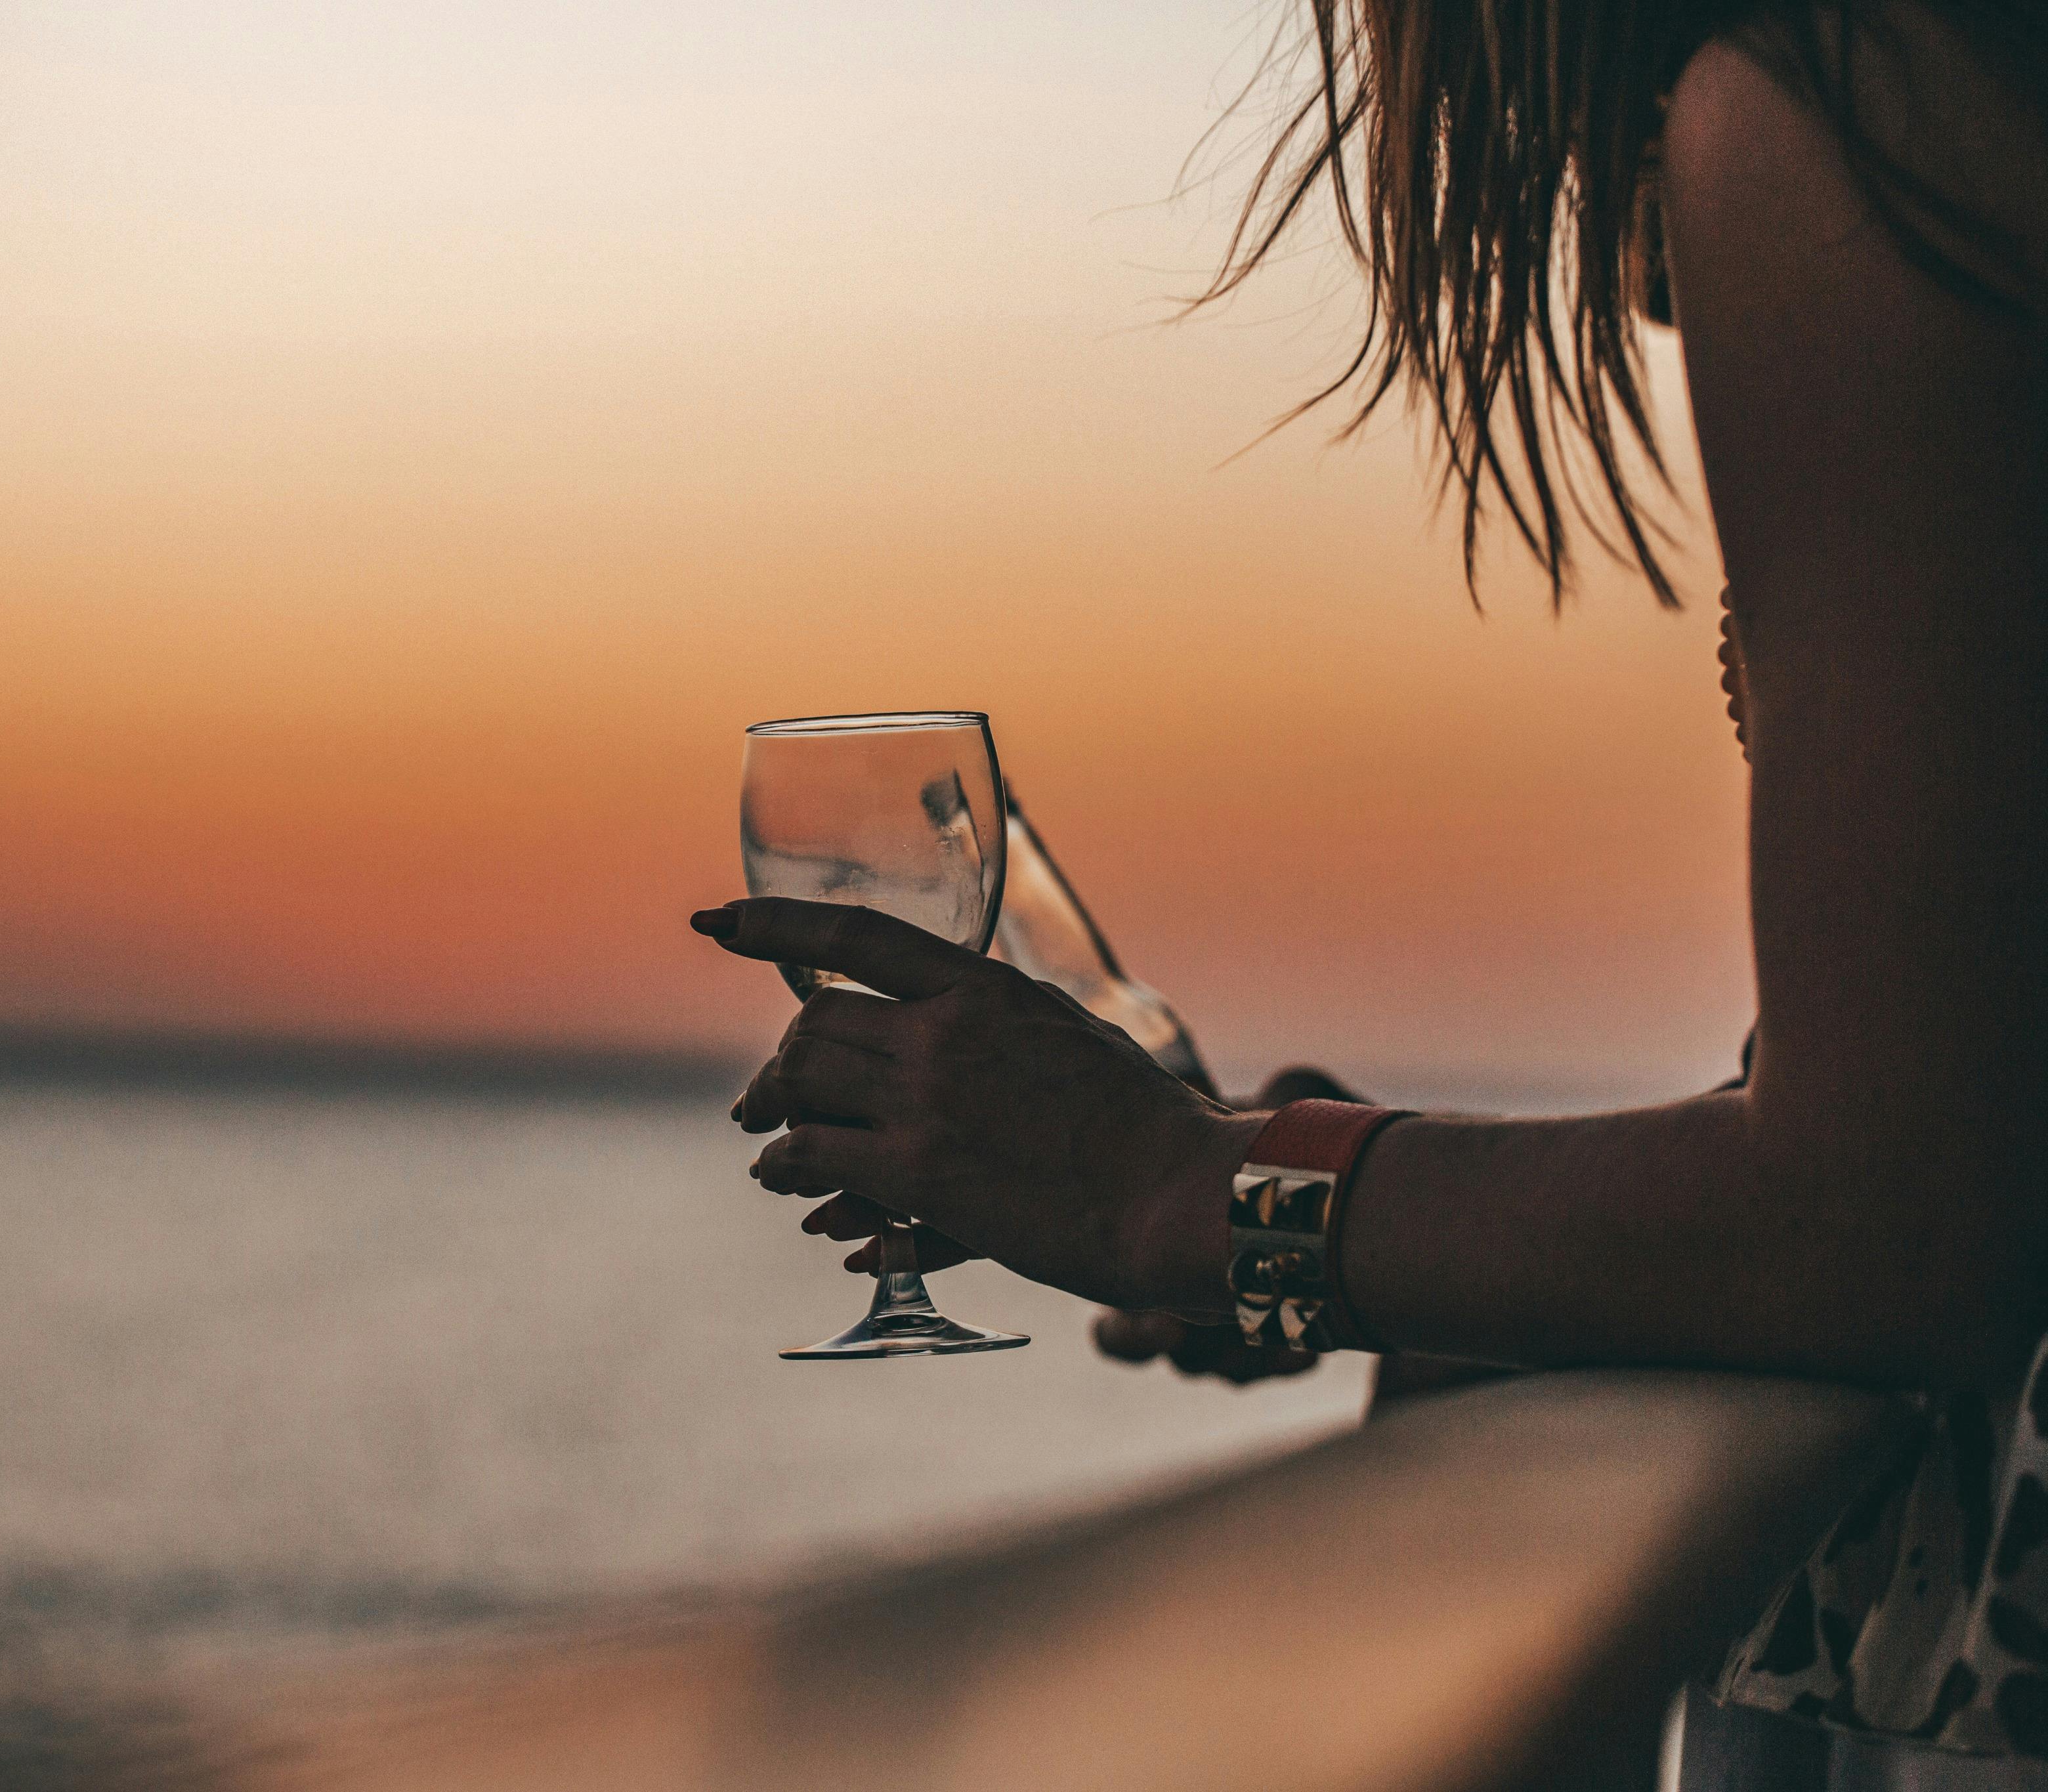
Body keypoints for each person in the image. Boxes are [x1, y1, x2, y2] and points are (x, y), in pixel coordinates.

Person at [693, 0, 2045, 1780]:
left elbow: (1893, 1221)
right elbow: (1964, 1109)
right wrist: (1380, 1245)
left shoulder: (1860, 109)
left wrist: (1180, 1190)